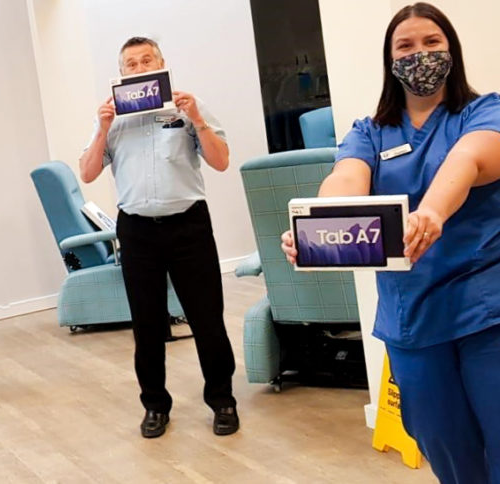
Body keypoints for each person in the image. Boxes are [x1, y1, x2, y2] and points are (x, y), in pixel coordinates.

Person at [281, 4, 500, 482]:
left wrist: (433, 211)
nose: (420, 54)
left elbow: (468, 160)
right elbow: (346, 178)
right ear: (390, 59)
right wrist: (317, 224)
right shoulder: (369, 132)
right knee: (446, 449)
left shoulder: (485, 111)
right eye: (406, 46)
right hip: (413, 321)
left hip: (486, 312)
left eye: (432, 42)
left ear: (452, 50)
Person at [79, 37, 239, 438]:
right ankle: (154, 406)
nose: (139, 68)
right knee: (147, 325)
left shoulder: (187, 107)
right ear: (122, 73)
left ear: (161, 64)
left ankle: (222, 401)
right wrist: (102, 129)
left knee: (207, 319)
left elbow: (221, 161)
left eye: (146, 60)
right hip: (137, 230)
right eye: (131, 64)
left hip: (189, 226)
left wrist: (197, 119)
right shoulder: (113, 120)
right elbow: (88, 172)